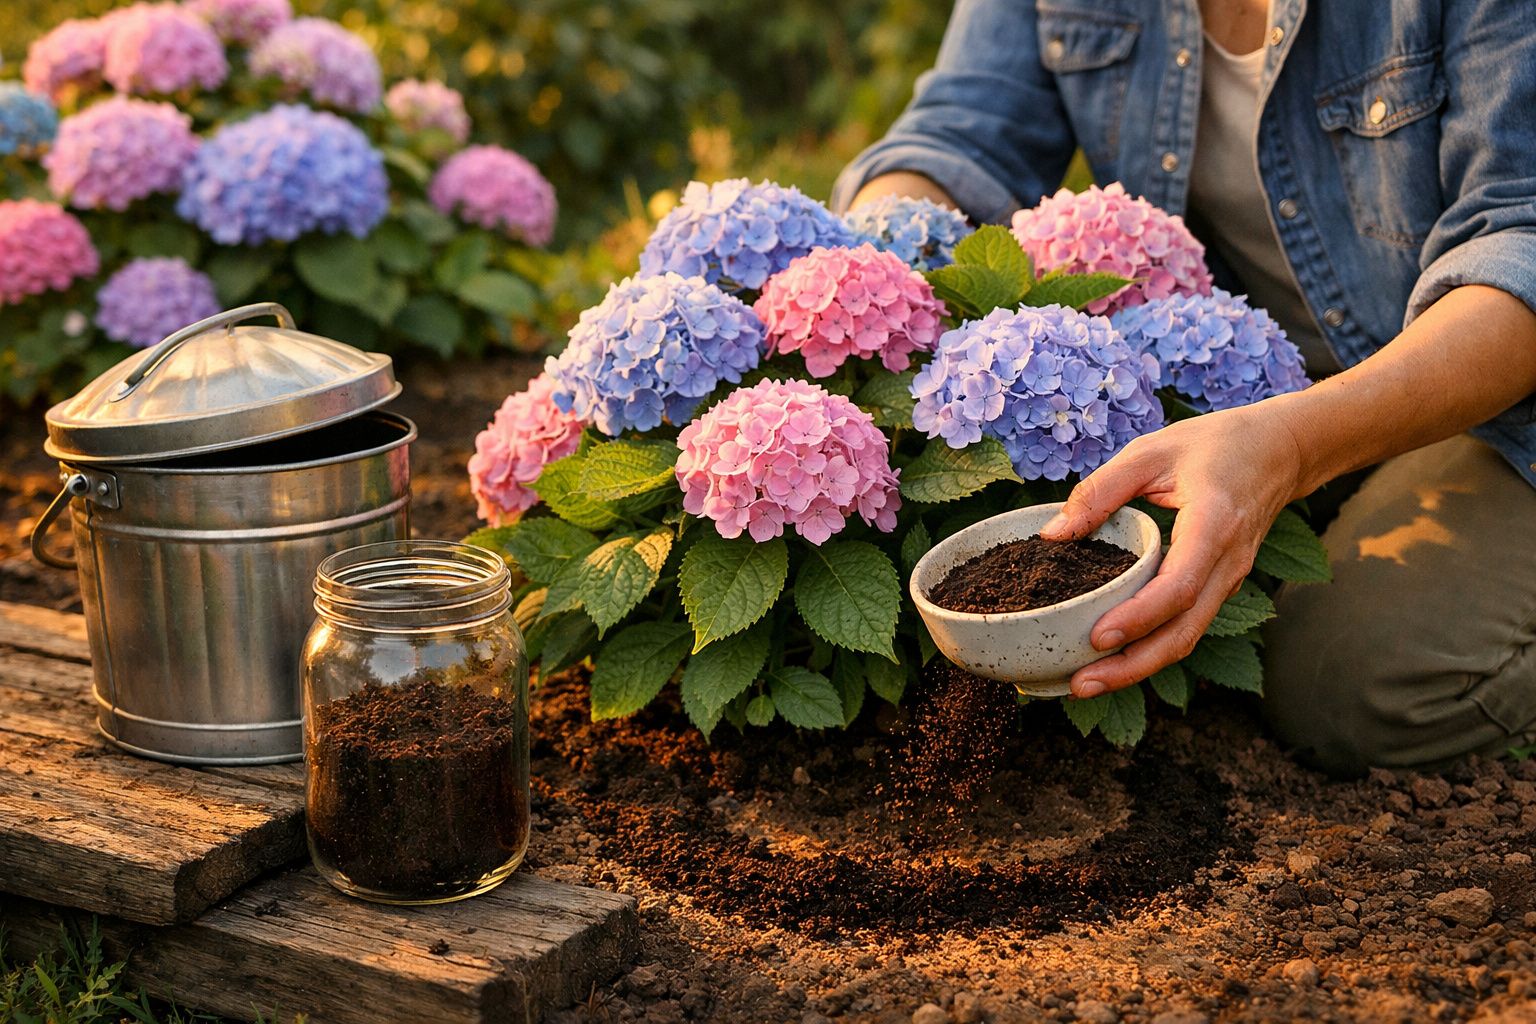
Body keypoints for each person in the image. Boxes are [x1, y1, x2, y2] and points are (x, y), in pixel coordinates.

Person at [832, 0, 1536, 776]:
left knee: (1343, 685)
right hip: (1270, 393)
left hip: (1499, 387)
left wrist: (1292, 446)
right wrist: (863, 275)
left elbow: (1522, 237)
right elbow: (962, 134)